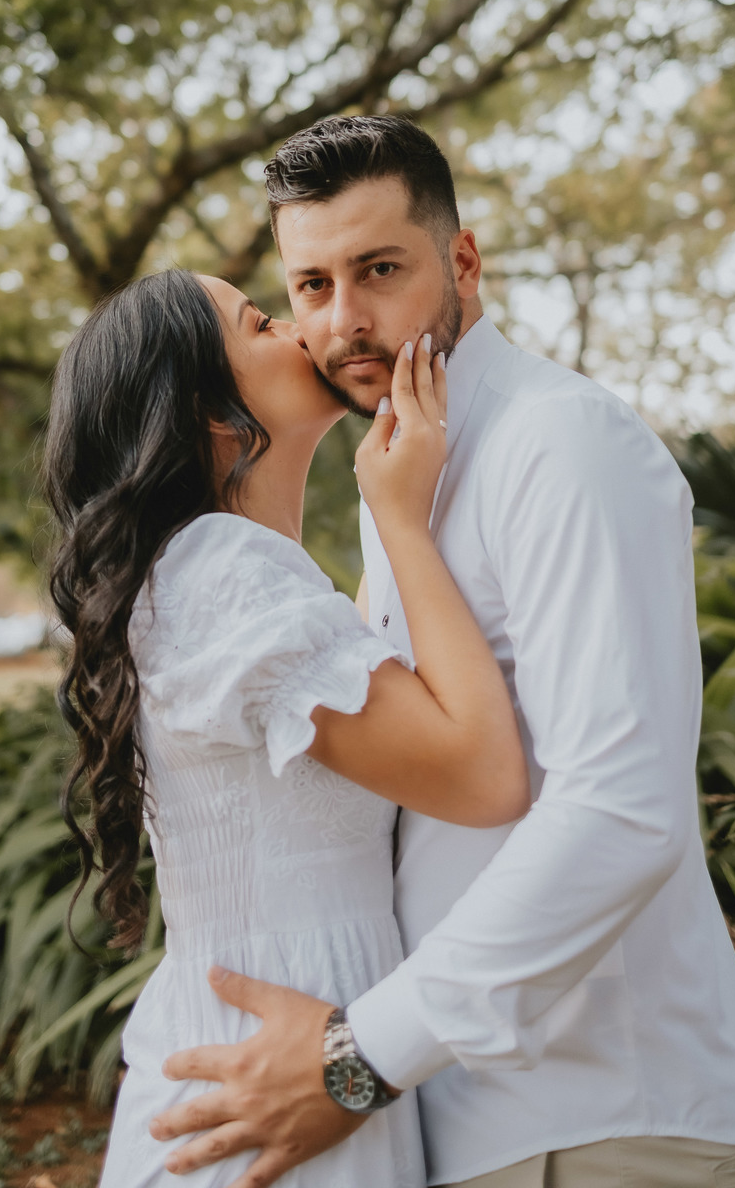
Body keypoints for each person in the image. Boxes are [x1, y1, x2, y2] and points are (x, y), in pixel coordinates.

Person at [149, 116, 735, 1188]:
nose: (343, 321)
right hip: (467, 1119)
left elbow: (621, 806)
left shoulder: (559, 444)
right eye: (310, 286)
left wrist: (360, 1055)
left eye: (380, 270)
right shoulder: (401, 475)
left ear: (464, 263)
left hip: (604, 1119)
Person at [41, 264, 529, 1188]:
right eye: (261, 323)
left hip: (285, 1056)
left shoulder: (235, 577)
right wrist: (403, 522)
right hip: (266, 1078)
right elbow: (483, 775)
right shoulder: (223, 575)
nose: (306, 330)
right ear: (206, 414)